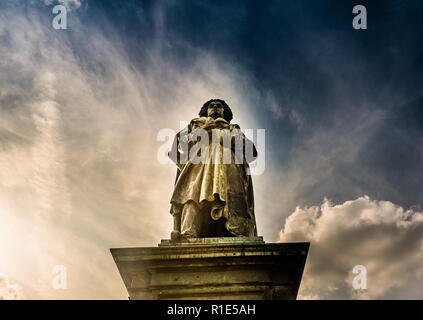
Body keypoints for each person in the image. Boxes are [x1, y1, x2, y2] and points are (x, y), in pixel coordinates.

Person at [169, 99, 258, 239]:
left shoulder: (233, 128)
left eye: (219, 106)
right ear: (206, 110)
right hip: (197, 166)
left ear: (225, 112)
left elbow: (251, 151)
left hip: (228, 166)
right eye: (212, 106)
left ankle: (235, 230)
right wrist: (204, 130)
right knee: (192, 193)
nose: (215, 107)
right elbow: (182, 145)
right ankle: (189, 231)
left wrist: (217, 135)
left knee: (232, 193)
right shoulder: (195, 125)